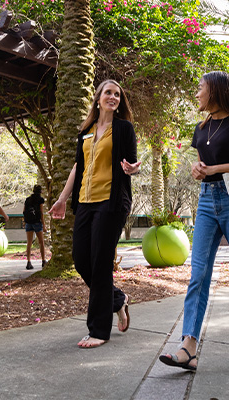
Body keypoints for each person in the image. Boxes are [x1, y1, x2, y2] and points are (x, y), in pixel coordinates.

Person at [159, 71, 229, 371]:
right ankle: (188, 346)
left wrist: (215, 169)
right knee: (198, 274)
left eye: (201, 88)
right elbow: (205, 167)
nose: (197, 93)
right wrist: (200, 170)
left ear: (215, 91)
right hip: (207, 200)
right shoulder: (202, 127)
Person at [49, 79, 142, 348]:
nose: (113, 97)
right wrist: (62, 199)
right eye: (108, 93)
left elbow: (132, 162)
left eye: (117, 94)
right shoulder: (86, 131)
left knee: (100, 263)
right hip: (85, 201)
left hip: (111, 202)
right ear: (98, 98)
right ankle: (117, 300)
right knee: (81, 259)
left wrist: (132, 169)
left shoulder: (124, 128)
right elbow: (78, 167)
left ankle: (99, 331)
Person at [23, 185, 47, 270]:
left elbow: (24, 211)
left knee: (29, 243)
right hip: (37, 222)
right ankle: (43, 261)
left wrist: (25, 221)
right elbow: (41, 213)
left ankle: (28, 262)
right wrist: (44, 225)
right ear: (41, 191)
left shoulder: (28, 199)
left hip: (28, 223)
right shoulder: (40, 200)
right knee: (41, 242)